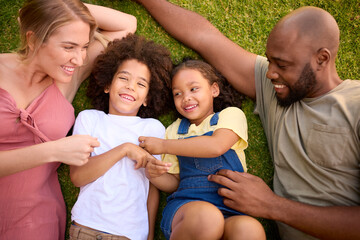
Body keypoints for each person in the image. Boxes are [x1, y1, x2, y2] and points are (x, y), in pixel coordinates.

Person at [132, 1, 360, 240]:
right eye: (270, 61)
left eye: (281, 65)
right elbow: (203, 37)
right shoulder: (275, 90)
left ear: (321, 59)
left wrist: (273, 206)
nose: (270, 73)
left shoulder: (354, 104)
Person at [0, 0, 136, 239]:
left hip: (34, 220)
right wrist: (54, 151)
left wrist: (65, 7)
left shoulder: (67, 78)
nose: (80, 59)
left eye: (84, 47)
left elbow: (126, 25)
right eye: (69, 46)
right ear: (32, 39)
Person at [139, 59, 265, 240]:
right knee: (207, 218)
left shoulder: (230, 116)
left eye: (193, 89)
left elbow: (216, 146)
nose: (186, 97)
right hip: (187, 206)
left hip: (231, 209)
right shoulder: (175, 130)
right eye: (177, 93)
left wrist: (163, 145)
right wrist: (153, 174)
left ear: (214, 89)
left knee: (250, 230)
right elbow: (174, 183)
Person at [69, 33, 173, 240]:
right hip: (86, 229)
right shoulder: (89, 119)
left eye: (141, 84)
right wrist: (125, 149)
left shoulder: (153, 128)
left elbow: (153, 189)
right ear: (107, 85)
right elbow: (78, 177)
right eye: (123, 78)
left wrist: (149, 234)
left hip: (132, 235)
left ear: (147, 99)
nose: (130, 86)